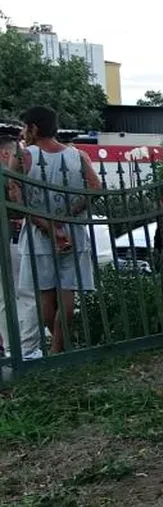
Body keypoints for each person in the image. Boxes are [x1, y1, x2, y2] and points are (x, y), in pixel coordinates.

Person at [11, 106, 104, 355]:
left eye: (25, 127)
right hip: (72, 232)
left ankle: (57, 350)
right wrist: (67, 215)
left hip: (38, 235)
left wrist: (47, 224)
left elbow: (15, 197)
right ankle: (60, 348)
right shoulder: (78, 156)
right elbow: (95, 187)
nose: (23, 132)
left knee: (44, 297)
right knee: (67, 292)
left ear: (34, 128)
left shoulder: (23, 157)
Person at [0, 136, 43, 360]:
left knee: (4, 296)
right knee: (26, 291)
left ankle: (10, 346)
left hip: (9, 238)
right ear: (6, 154)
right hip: (13, 239)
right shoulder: (10, 174)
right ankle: (27, 346)